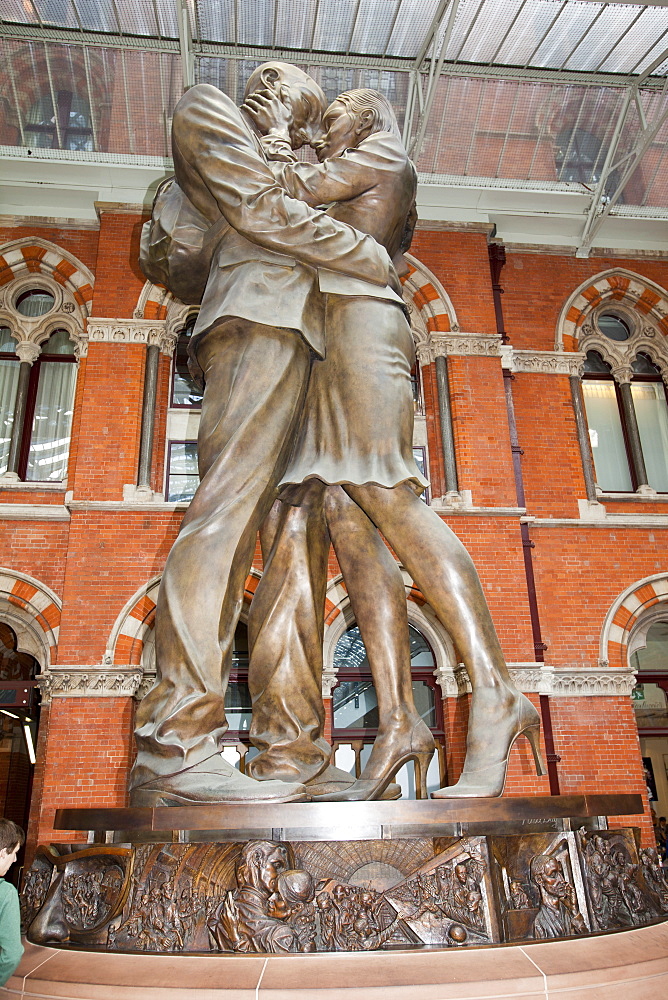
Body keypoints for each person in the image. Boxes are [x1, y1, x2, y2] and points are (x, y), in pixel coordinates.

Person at [244, 87, 543, 799]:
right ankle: (401, 721)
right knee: (352, 523)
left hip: (362, 332)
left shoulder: (380, 154)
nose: (326, 126)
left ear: (369, 114)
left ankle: (497, 691)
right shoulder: (359, 163)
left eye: (335, 114)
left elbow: (283, 190)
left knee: (386, 495)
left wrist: (282, 130)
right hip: (332, 338)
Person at [130, 63, 398, 806]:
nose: (274, 99)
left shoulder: (302, 163)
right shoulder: (207, 111)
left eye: (297, 104)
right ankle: (174, 744)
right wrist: (367, 257)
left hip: (314, 343)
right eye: (278, 90)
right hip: (253, 323)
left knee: (295, 553)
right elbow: (258, 210)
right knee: (224, 519)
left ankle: (292, 753)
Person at [530, 854, 587, 939]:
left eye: (560, 873)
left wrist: (574, 911)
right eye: (553, 875)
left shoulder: (567, 912)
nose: (561, 880)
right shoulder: (539, 922)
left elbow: (587, 940)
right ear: (539, 880)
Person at [0, 818, 24, 987]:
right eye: (14, 853)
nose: (15, 859)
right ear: (2, 853)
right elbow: (12, 954)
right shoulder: (6, 893)